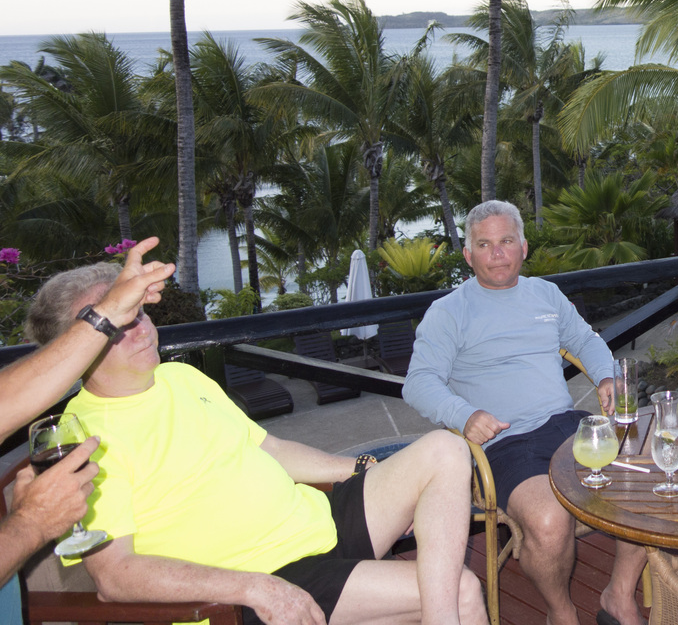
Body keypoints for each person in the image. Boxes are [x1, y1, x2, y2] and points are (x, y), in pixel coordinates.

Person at [25, 260, 488, 625]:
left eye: (139, 314)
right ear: (74, 347)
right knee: (460, 591)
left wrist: (363, 470)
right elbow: (115, 576)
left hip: (314, 521)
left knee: (445, 448)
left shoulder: (180, 377)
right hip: (255, 577)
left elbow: (272, 450)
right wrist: (254, 587)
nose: (142, 330)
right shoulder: (82, 437)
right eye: (117, 325)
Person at [402, 200, 647, 625]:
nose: (497, 253)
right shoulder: (448, 312)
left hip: (566, 426)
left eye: (506, 241)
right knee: (550, 522)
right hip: (504, 441)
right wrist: (464, 415)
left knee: (648, 479)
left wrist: (606, 375)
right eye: (485, 244)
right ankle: (561, 611)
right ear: (468, 255)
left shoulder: (545, 294)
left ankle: (619, 594)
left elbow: (585, 340)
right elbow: (419, 382)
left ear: (524, 247)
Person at [0, 237, 175, 625]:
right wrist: (31, 524)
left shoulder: (179, 380)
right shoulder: (94, 422)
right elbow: (116, 576)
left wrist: (110, 311)